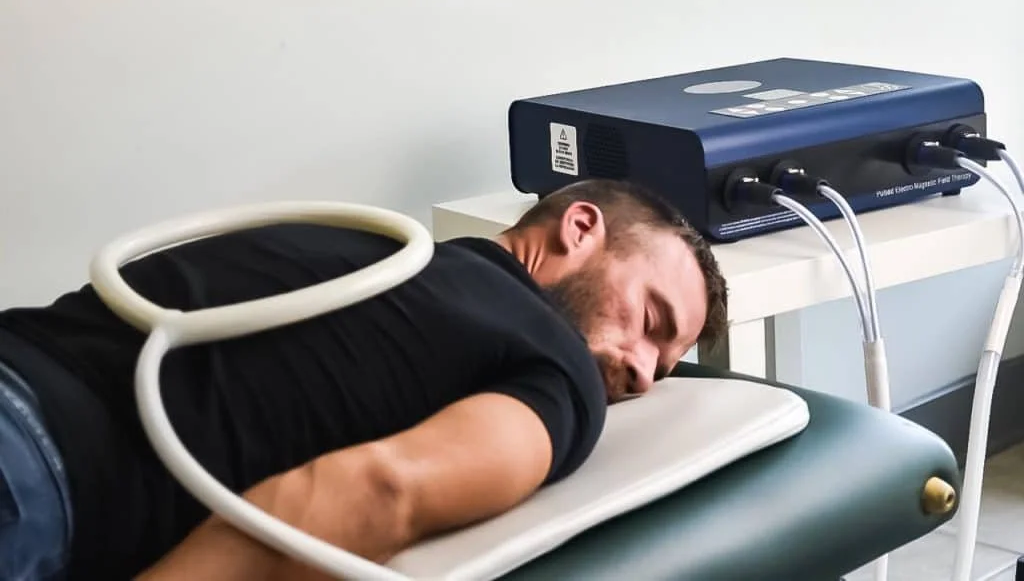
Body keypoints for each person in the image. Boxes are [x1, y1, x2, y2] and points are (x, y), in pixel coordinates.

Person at [0, 179, 727, 581]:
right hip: (32, 466)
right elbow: (382, 491)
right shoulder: (556, 360)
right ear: (578, 228)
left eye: (662, 368)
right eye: (651, 318)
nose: (639, 366)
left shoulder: (368, 254)